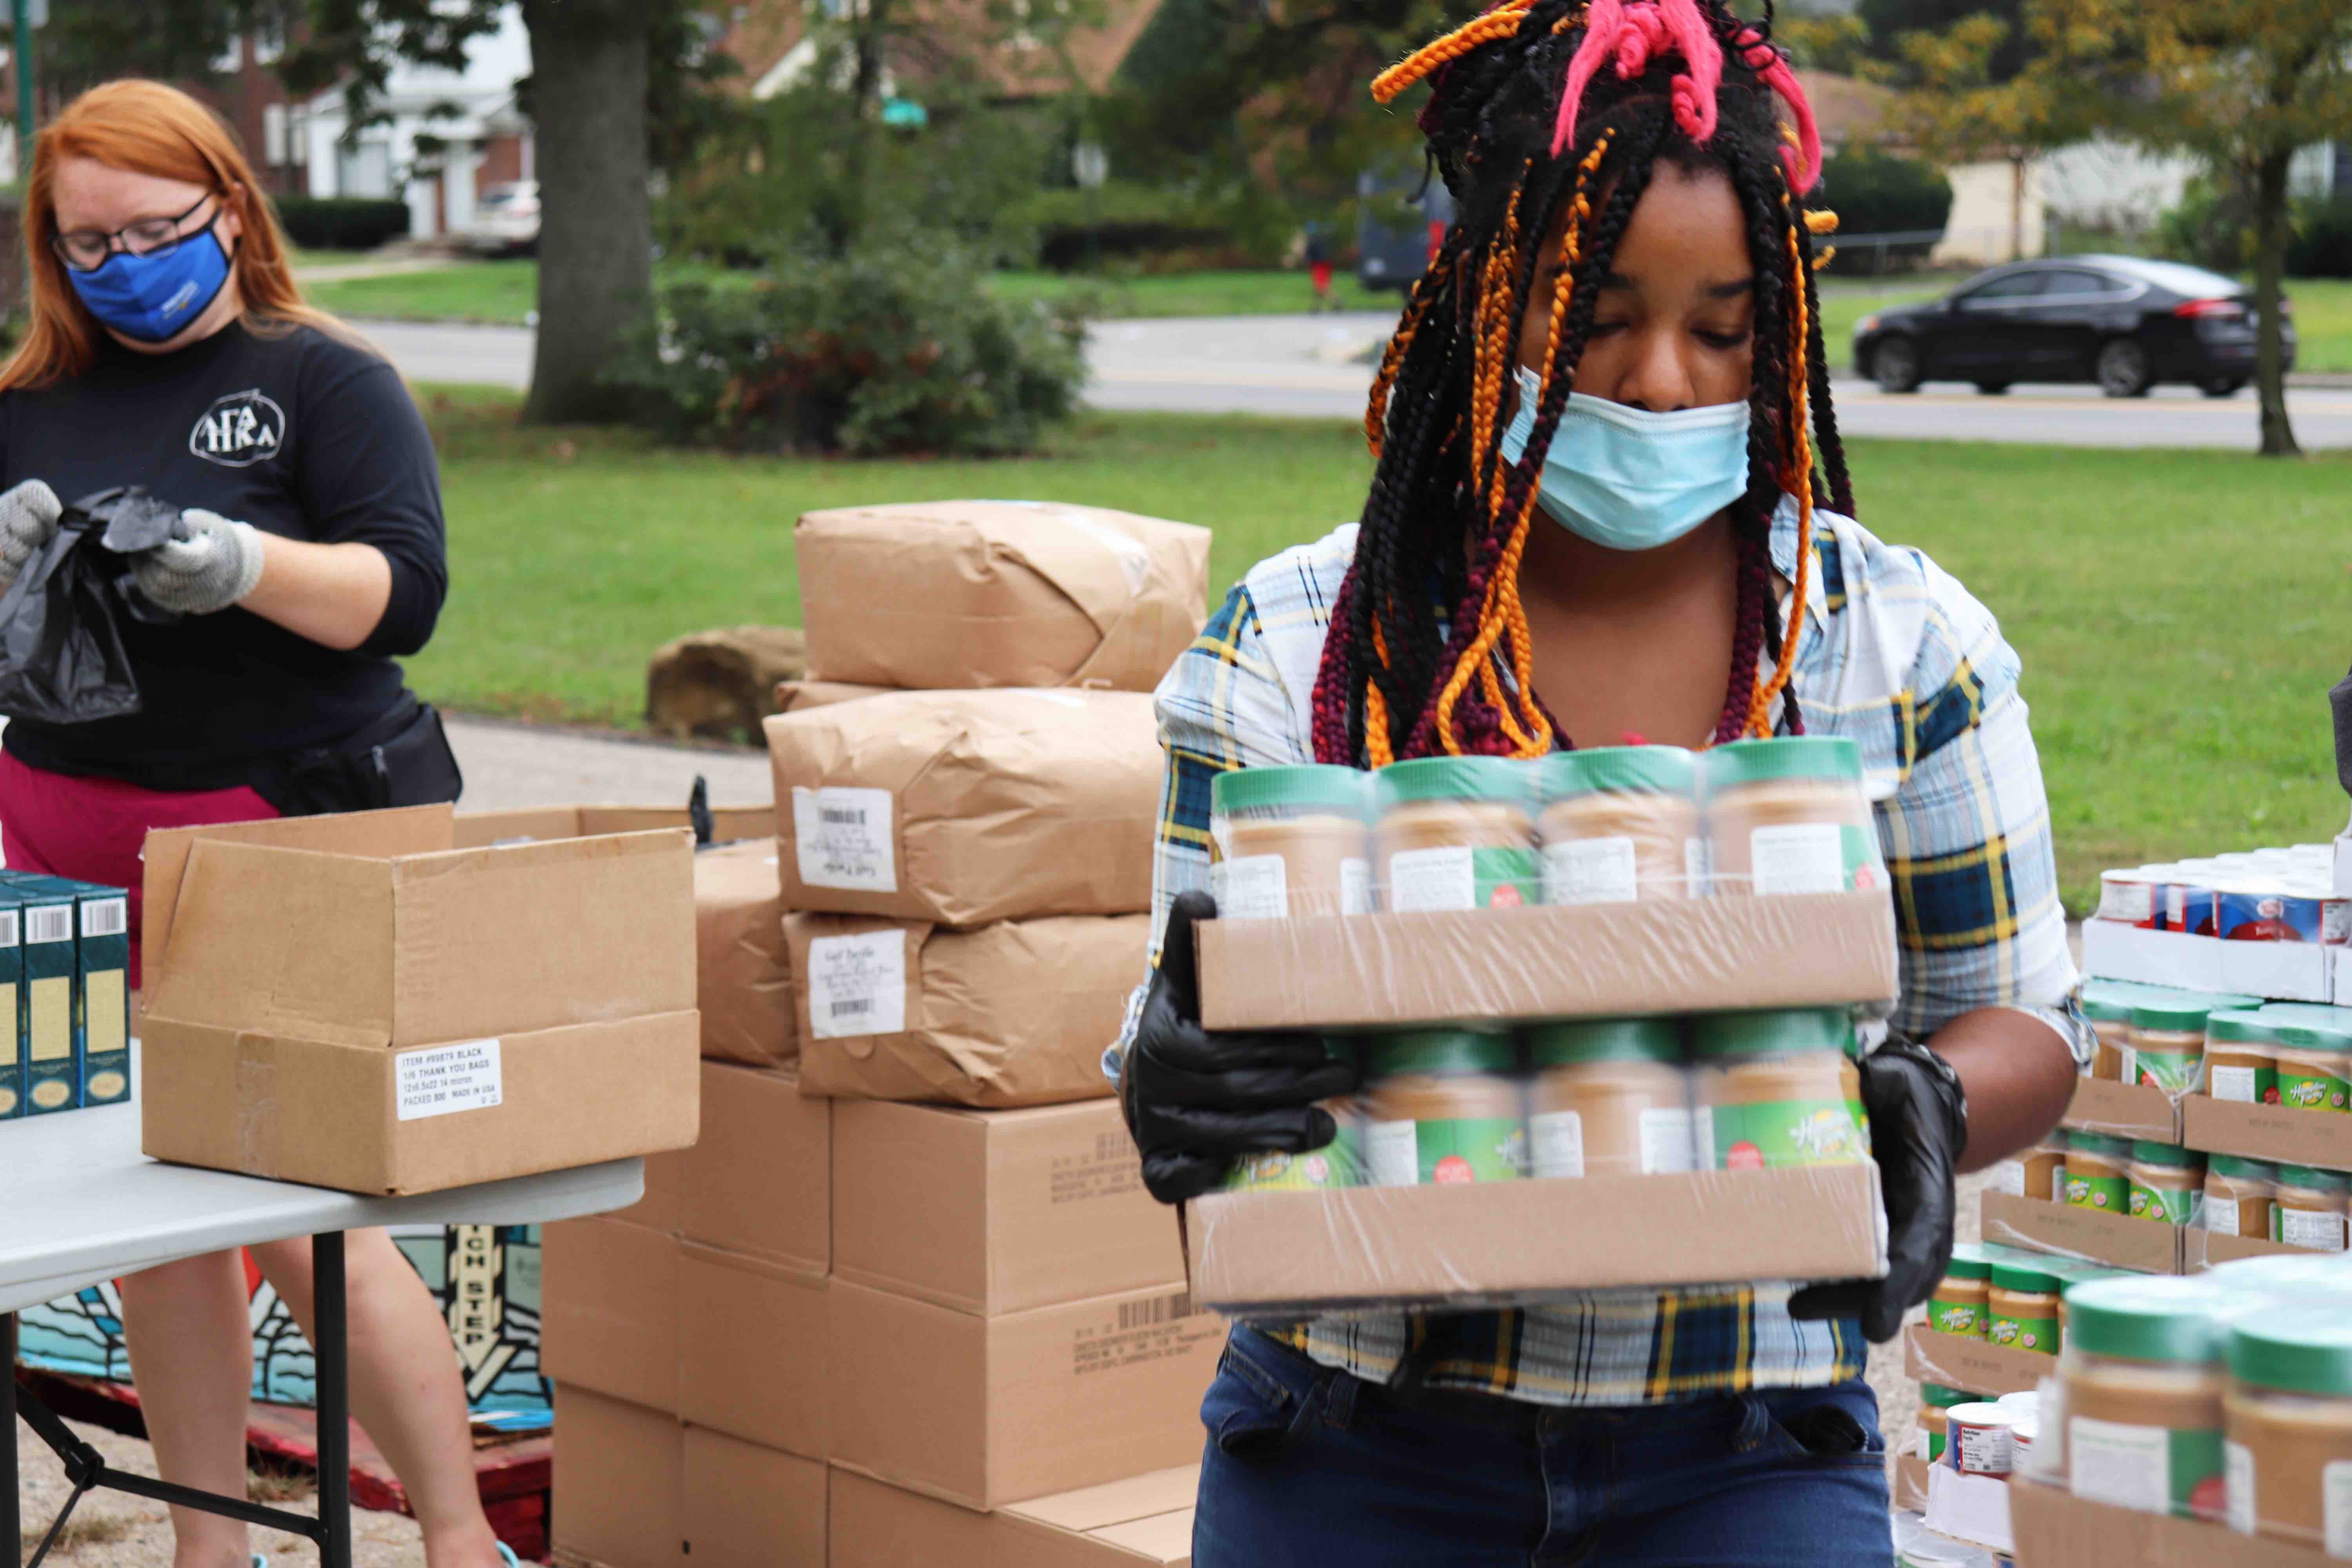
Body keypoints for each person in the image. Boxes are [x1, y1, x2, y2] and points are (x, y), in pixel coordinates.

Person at [1116, 3, 2087, 1562]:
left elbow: (2030, 1015)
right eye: (1598, 313)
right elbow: (1178, 1053)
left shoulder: (1890, 646)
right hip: (1354, 1449)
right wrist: (1174, 1067)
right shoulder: (1305, 642)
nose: (1658, 382)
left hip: (1749, 1451)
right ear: (1482, 300)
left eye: (1723, 328)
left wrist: (1934, 1096)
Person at [0, 82, 510, 1568]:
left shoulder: (324, 379)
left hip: (285, 836)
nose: (122, 262)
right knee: (150, 1226)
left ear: (230, 206)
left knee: (295, 1208)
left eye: (155, 229)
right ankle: (208, 1546)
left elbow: (401, 595)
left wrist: (241, 564)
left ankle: (462, 1536)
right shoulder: (25, 403)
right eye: (87, 242)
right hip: (74, 837)